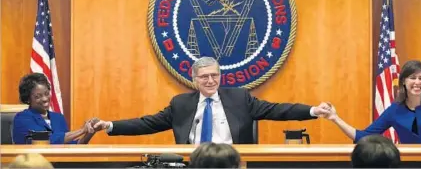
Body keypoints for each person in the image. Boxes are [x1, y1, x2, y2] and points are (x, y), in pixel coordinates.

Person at [92, 56, 331, 144]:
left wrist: (312, 110)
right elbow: (147, 123)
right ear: (194, 79)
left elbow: (277, 110)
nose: (210, 80)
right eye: (204, 77)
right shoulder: (181, 103)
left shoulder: (239, 97)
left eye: (214, 75)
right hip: (194, 163)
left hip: (232, 162)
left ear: (220, 76)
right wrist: (111, 126)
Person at [324, 60, 421, 144]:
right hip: (408, 163)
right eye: (412, 78)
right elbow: (363, 136)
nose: (417, 82)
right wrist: (335, 118)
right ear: (403, 82)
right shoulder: (395, 110)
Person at [13, 73, 96, 144]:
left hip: (60, 162)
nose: (45, 99)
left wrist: (91, 131)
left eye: (47, 93)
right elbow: (46, 140)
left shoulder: (58, 118)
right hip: (35, 162)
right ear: (27, 99)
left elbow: (70, 145)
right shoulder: (22, 118)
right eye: (38, 96)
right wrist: (81, 130)